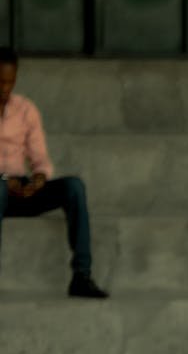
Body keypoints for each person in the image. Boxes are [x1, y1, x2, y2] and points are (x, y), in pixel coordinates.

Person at [0, 47, 108, 298]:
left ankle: (81, 276)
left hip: (22, 189)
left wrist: (38, 180)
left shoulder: (26, 110)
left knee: (74, 186)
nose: (4, 88)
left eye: (9, 82)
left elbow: (40, 159)